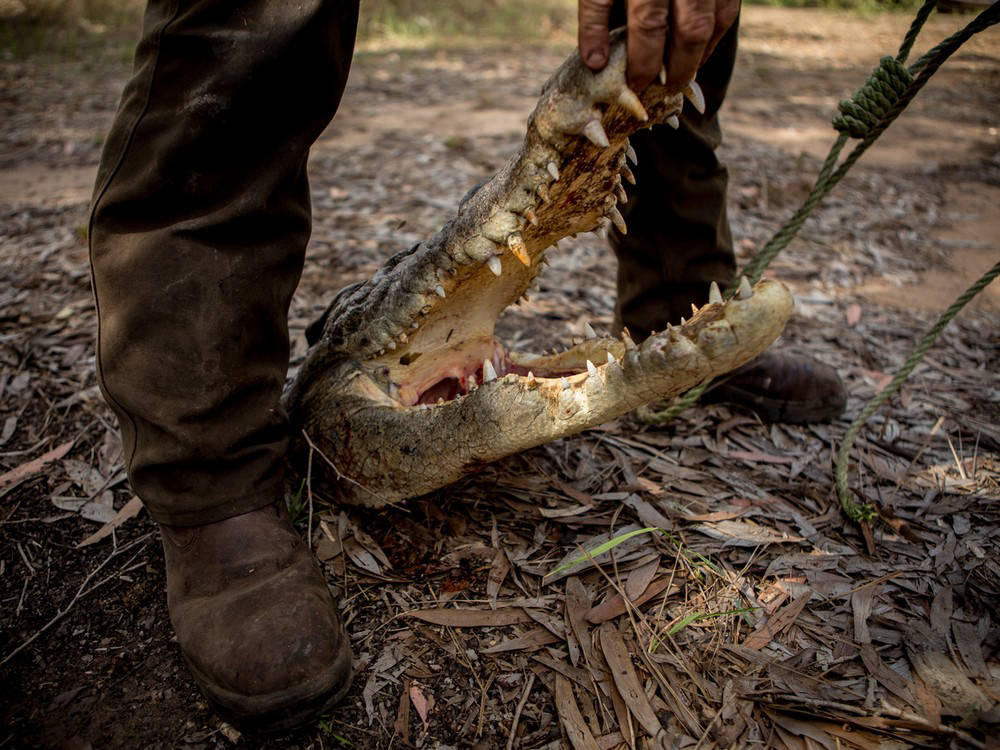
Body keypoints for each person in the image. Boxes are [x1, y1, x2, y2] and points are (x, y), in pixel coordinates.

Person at [88, 0, 844, 731]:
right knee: (247, 32)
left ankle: (679, 298)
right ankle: (208, 480)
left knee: (658, 49)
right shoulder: (341, 391)